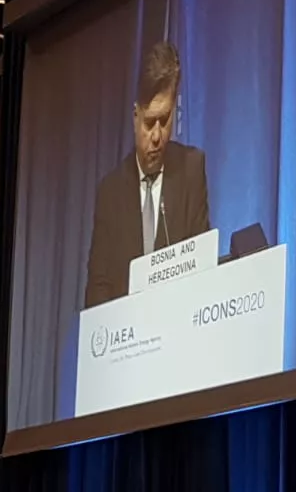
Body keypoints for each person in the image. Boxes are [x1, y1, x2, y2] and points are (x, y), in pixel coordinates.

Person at [83, 40, 212, 309]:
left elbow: (202, 269)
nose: (156, 136)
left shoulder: (191, 170)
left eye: (164, 121)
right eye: (149, 122)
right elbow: (98, 291)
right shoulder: (110, 193)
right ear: (135, 116)